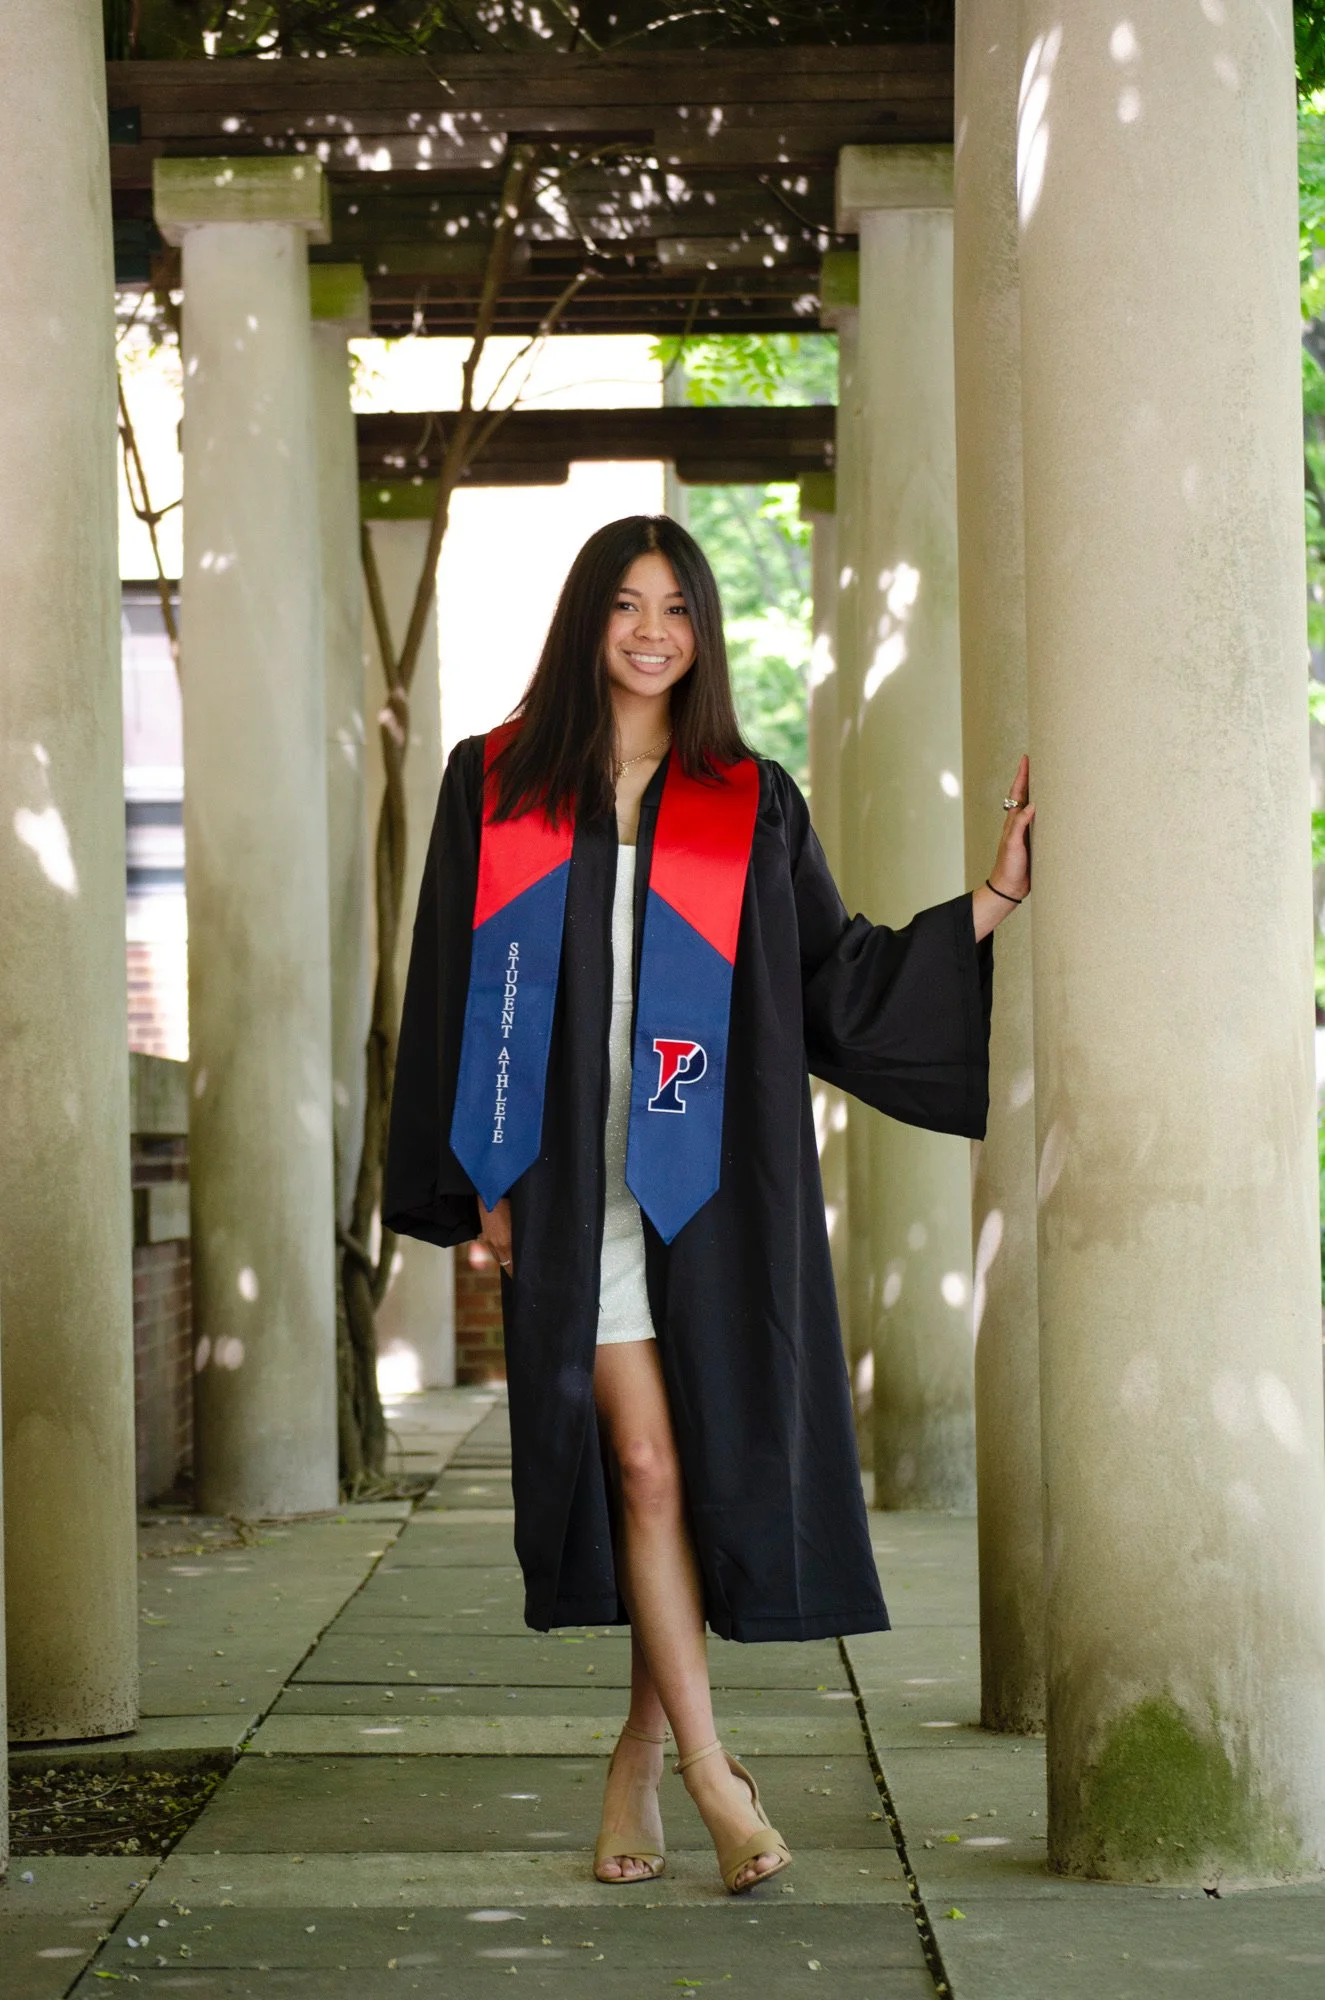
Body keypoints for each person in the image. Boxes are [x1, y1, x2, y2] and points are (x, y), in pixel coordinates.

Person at [383, 514, 1032, 1895]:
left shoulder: (750, 799)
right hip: (570, 1195)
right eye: (626, 604)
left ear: (703, 633)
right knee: (644, 1469)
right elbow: (446, 982)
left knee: (667, 1483)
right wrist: (474, 1184)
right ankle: (717, 1773)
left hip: (706, 1194)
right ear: (587, 622)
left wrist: (987, 901)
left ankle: (634, 1757)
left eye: (677, 607)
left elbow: (836, 979)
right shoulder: (491, 788)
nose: (651, 631)